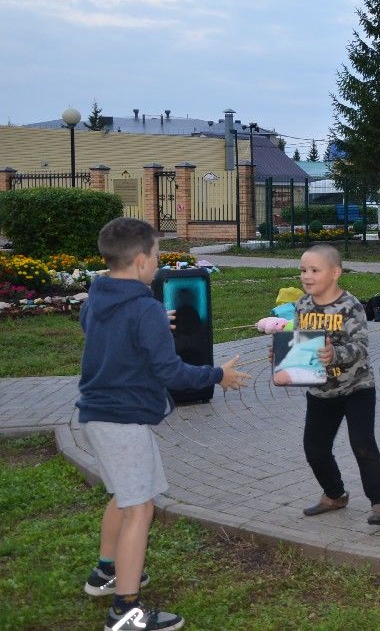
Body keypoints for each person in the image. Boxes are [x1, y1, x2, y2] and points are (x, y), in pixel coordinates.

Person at [77, 217, 250, 631]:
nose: (157, 263)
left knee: (125, 494)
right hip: (124, 419)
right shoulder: (145, 309)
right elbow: (171, 372)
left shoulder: (96, 299)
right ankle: (125, 610)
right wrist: (216, 376)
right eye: (156, 255)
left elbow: (110, 334)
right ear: (140, 261)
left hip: (97, 415)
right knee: (140, 507)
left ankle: (106, 572)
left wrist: (153, 325)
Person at [292, 244, 380, 526]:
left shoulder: (351, 306)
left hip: (357, 387)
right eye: (303, 270)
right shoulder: (301, 305)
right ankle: (335, 495)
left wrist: (335, 354)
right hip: (321, 391)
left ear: (335, 273)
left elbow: (360, 346)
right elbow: (301, 346)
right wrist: (285, 357)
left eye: (314, 270)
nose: (307, 276)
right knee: (314, 448)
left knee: (362, 444)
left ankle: (379, 503)